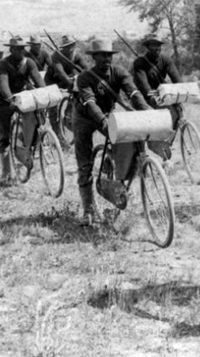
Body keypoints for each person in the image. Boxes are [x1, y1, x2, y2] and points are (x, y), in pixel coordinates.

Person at [73, 38, 150, 226]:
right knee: (84, 164)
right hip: (84, 118)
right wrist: (104, 122)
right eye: (101, 56)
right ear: (94, 58)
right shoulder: (84, 78)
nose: (106, 59)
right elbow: (90, 104)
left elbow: (133, 93)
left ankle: (116, 179)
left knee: (125, 139)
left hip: (107, 113)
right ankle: (88, 210)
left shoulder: (119, 72)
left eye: (108, 56)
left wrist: (148, 111)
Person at [0, 36, 46, 182]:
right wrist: (11, 99)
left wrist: (45, 93)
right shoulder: (3, 63)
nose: (21, 51)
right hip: (3, 101)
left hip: (22, 98)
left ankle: (24, 150)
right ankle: (6, 172)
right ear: (11, 49)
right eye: (17, 49)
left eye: (22, 48)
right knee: (4, 136)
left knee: (32, 120)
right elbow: (3, 84)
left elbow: (38, 80)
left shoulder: (29, 63)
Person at [45, 34, 90, 148]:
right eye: (66, 46)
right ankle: (59, 139)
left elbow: (87, 69)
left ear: (74, 45)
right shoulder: (56, 56)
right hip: (53, 81)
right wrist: (69, 83)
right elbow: (60, 72)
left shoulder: (76, 55)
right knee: (54, 110)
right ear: (62, 47)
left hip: (69, 80)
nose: (69, 49)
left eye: (71, 46)